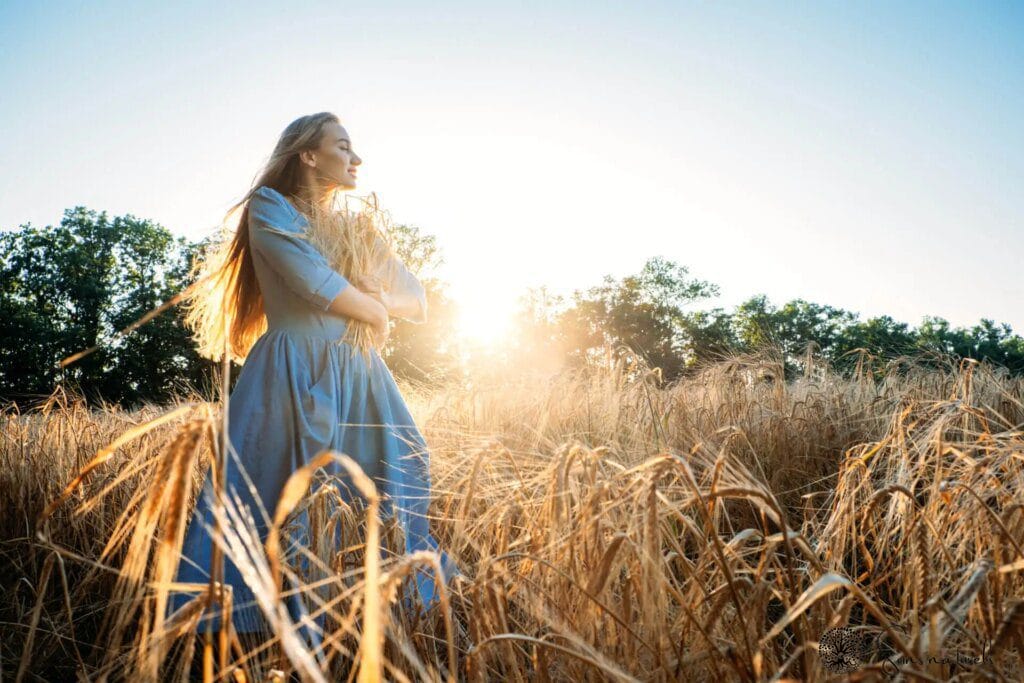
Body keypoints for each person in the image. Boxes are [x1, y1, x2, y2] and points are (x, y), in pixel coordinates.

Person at [167, 112, 461, 644]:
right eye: (343, 146)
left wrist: (382, 301)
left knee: (398, 470)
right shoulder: (270, 207)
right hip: (292, 370)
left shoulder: (357, 227)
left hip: (361, 373)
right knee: (269, 491)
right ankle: (248, 626)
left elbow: (415, 300)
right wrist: (372, 312)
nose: (357, 159)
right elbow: (312, 281)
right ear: (308, 155)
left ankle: (381, 609)